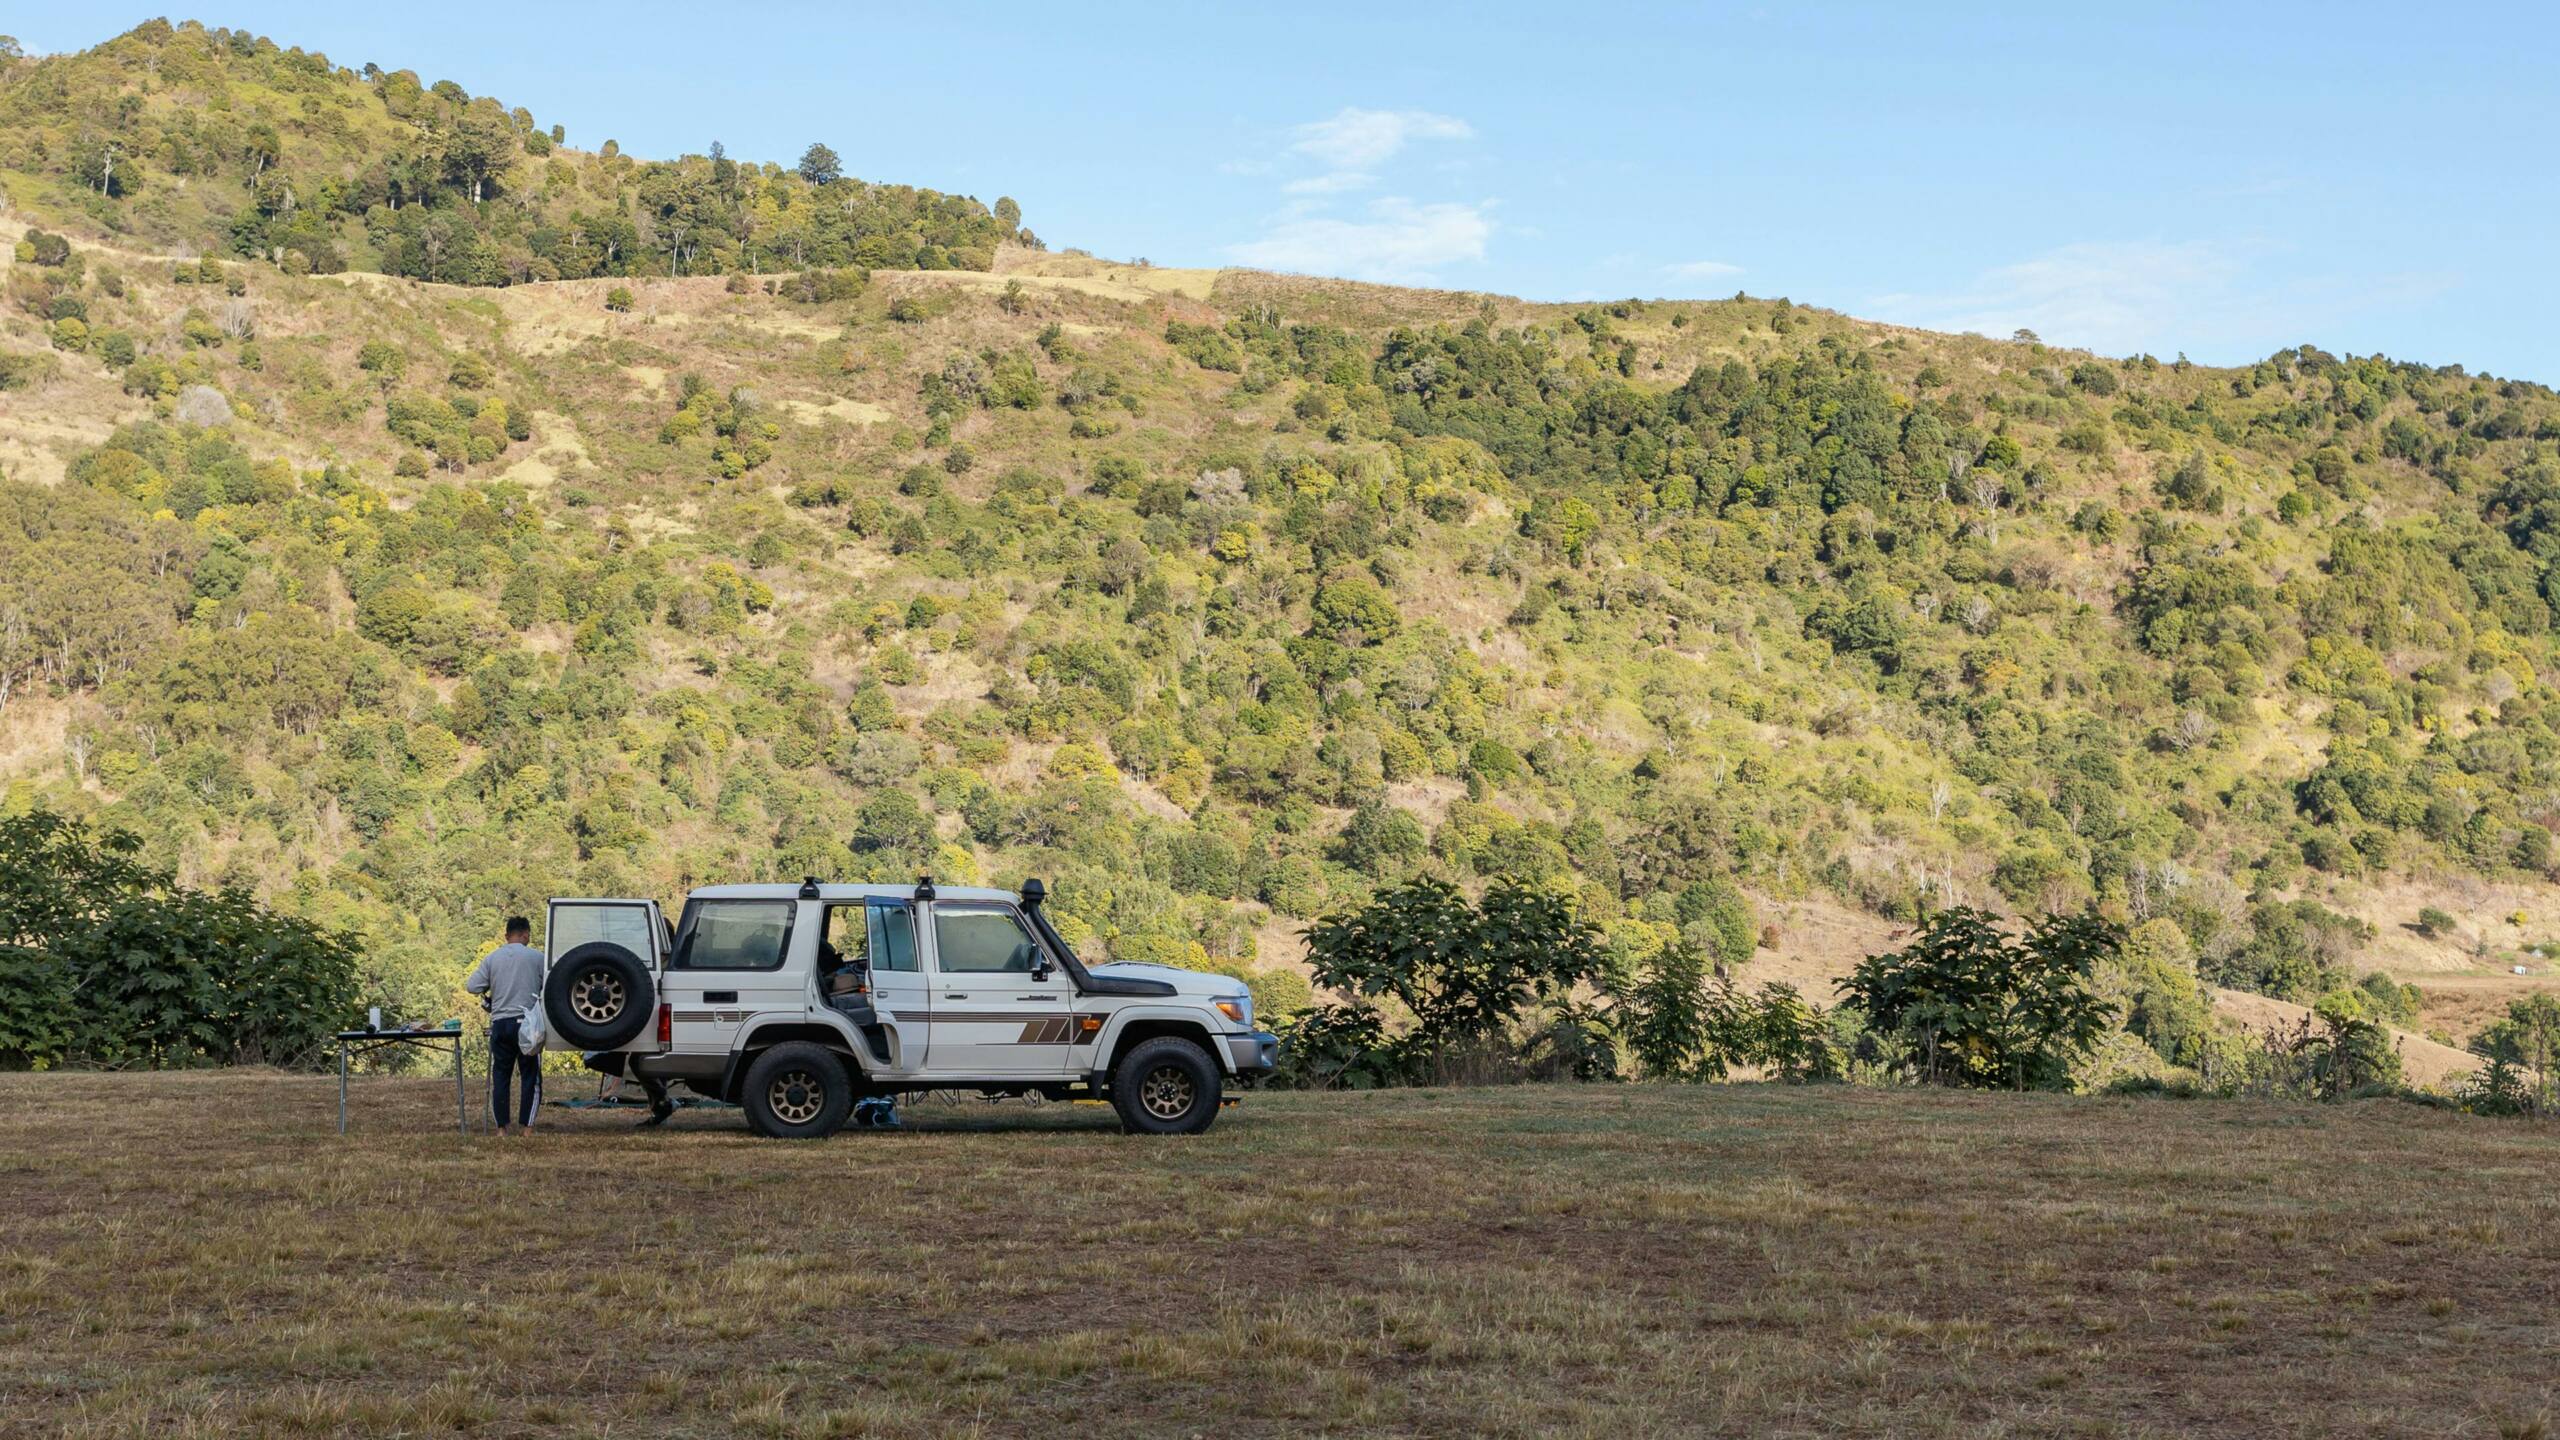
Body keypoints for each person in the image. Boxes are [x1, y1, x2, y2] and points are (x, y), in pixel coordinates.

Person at [465, 917, 546, 1135]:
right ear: (526, 935)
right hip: (527, 1024)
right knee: (530, 1075)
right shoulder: (538, 957)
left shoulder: (492, 958)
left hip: (500, 1024)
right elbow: (552, 982)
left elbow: (472, 986)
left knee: (501, 1075)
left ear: (506, 935)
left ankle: (502, 1128)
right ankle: (527, 1128)